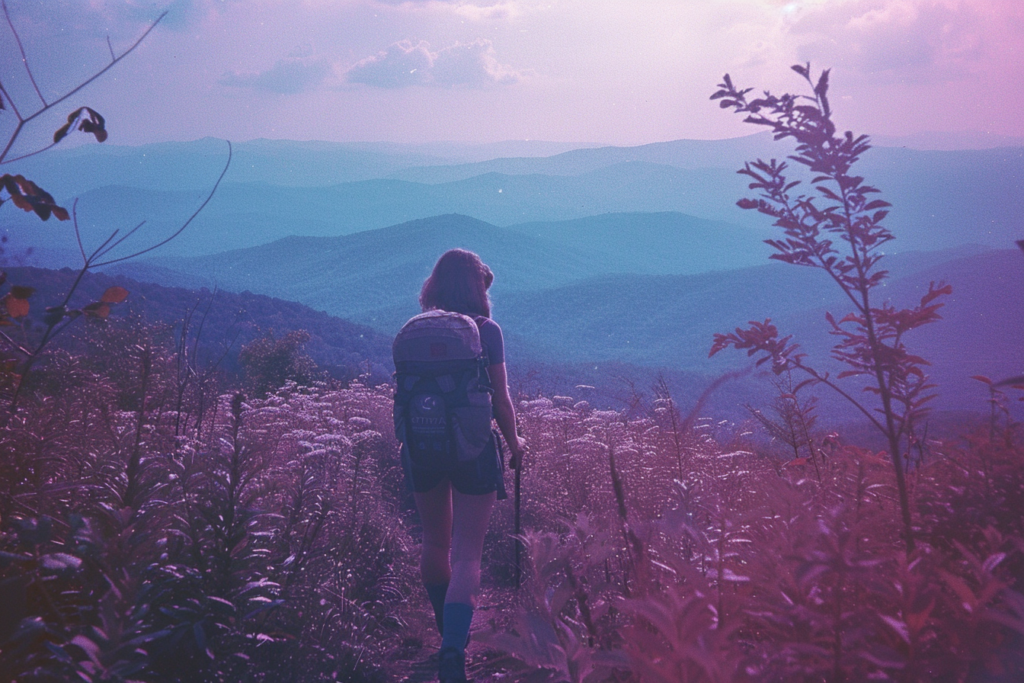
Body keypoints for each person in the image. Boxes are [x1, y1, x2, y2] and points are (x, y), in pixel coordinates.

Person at [400, 249, 526, 683]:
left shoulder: (414, 331)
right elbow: (501, 398)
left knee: (435, 543)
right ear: (479, 288)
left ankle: (444, 627)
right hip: (474, 450)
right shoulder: (487, 332)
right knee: (467, 550)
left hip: (423, 447)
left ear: (434, 285)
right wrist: (515, 443)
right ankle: (454, 647)